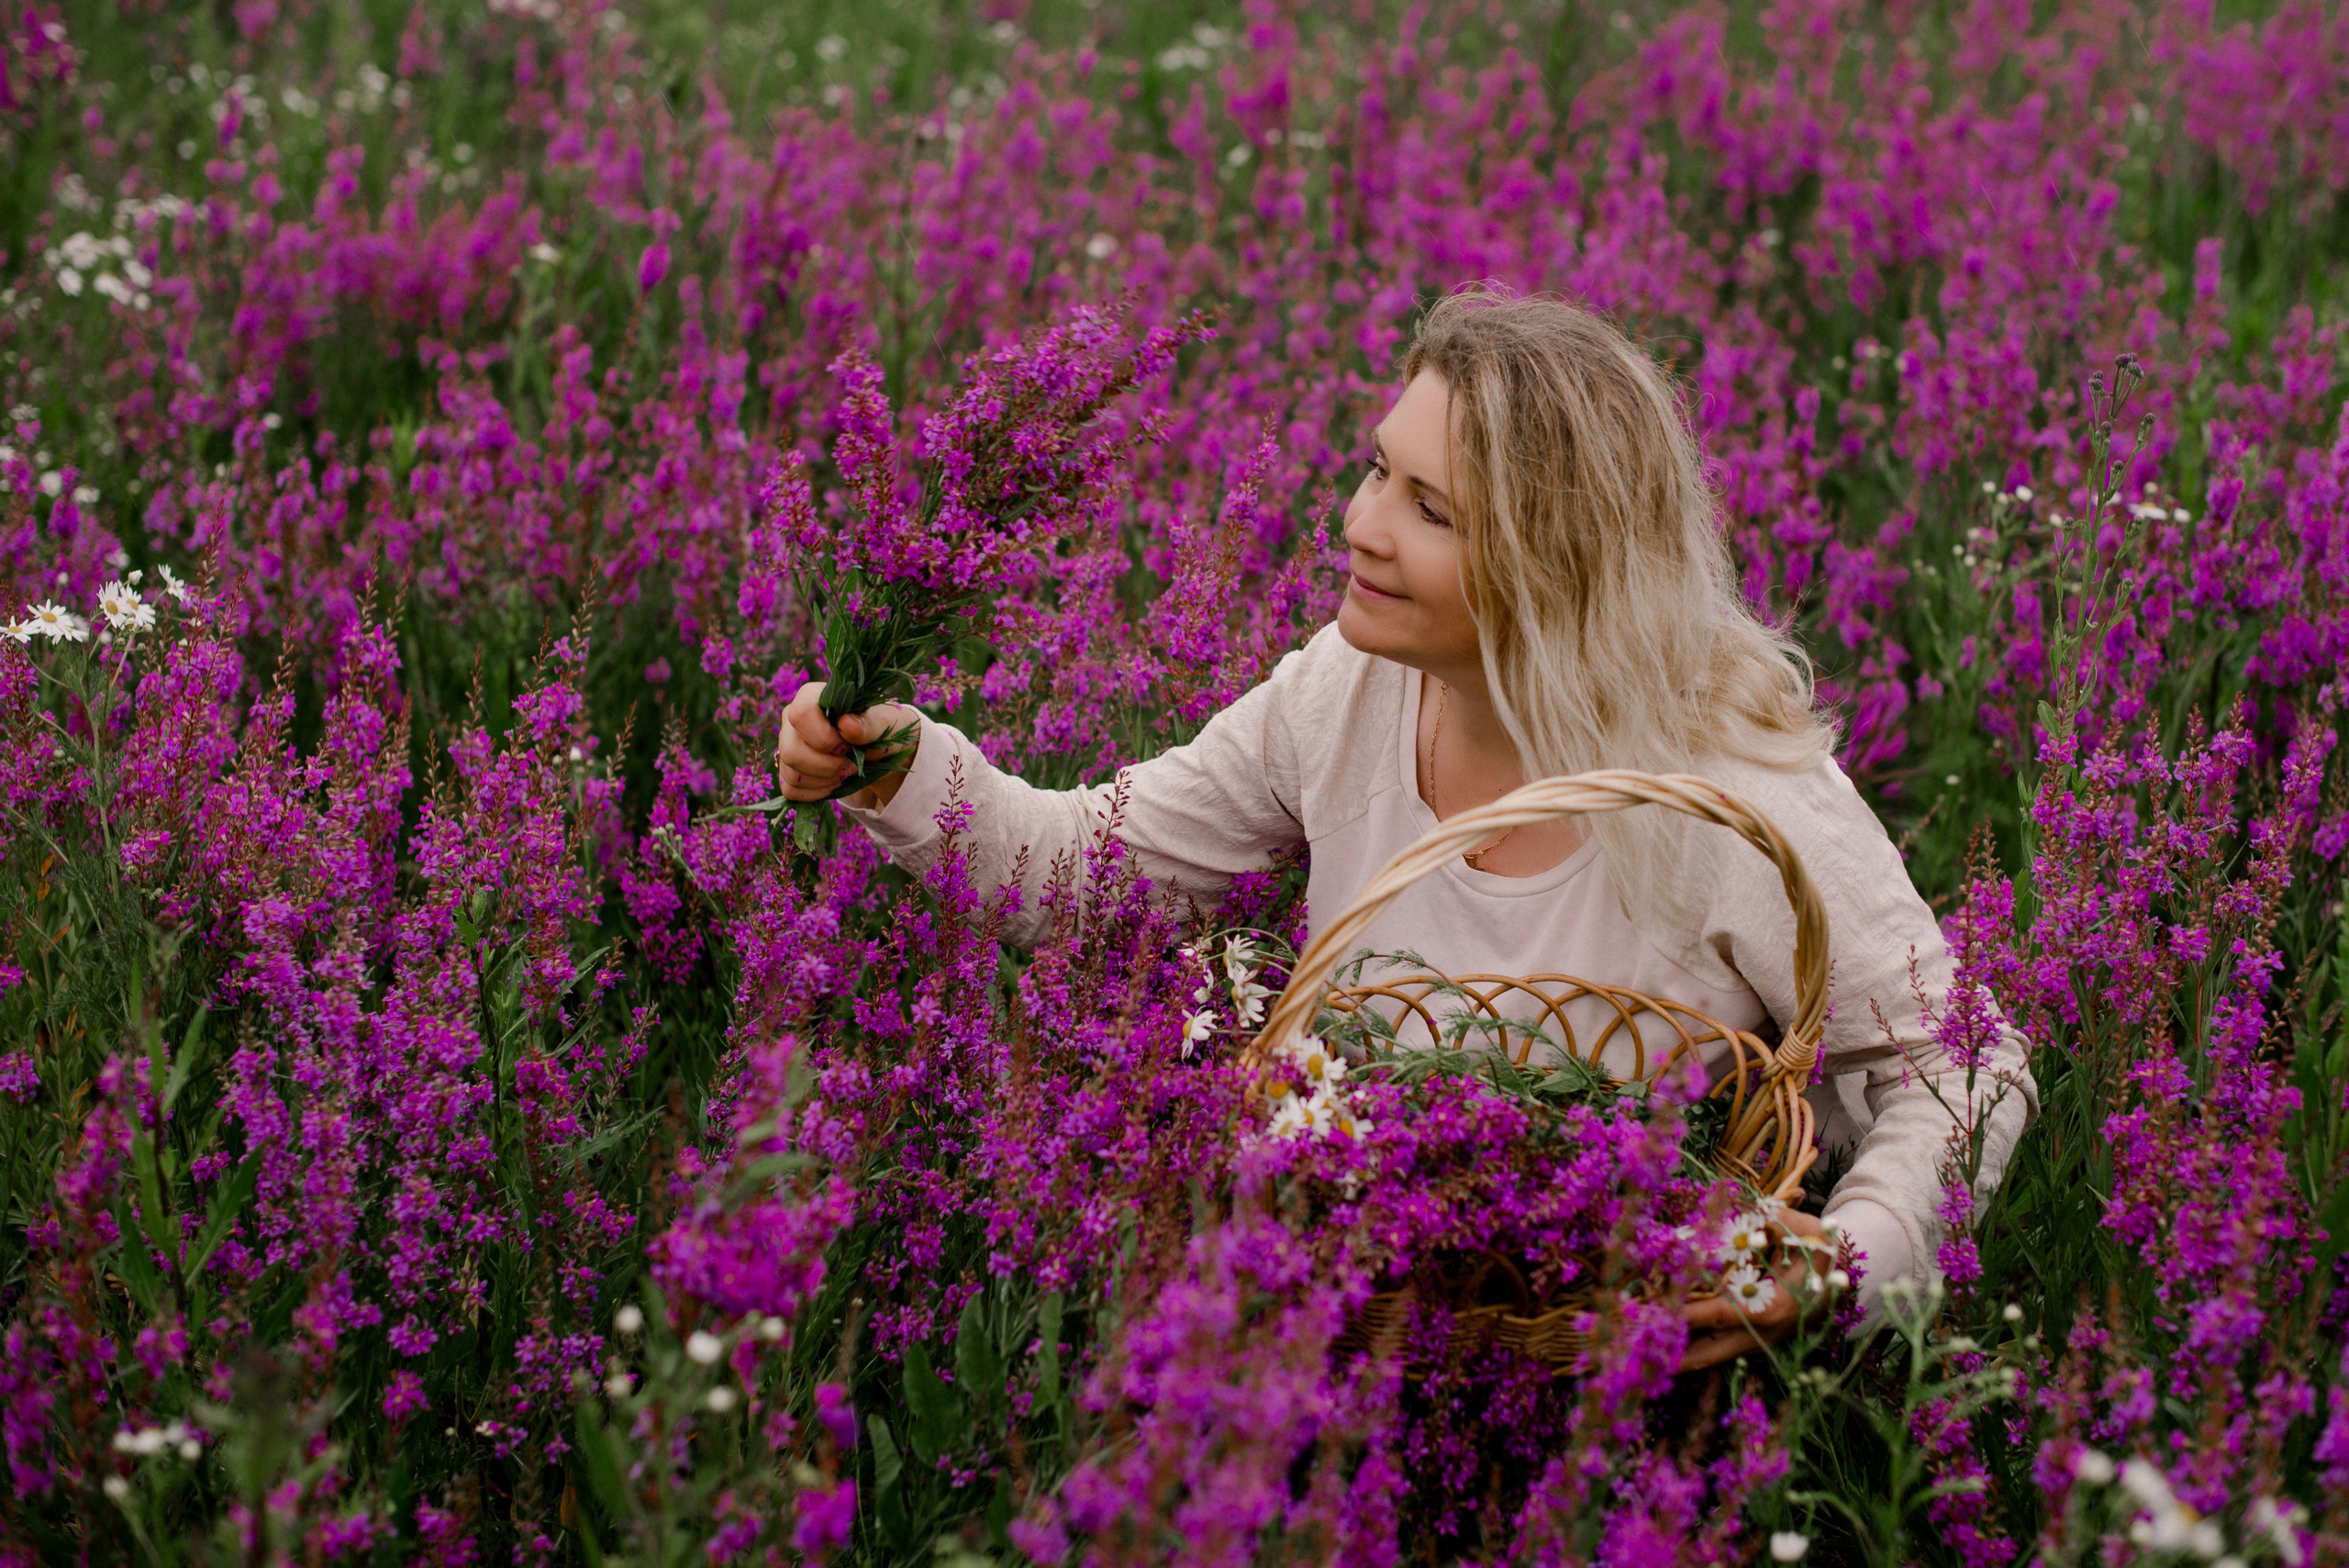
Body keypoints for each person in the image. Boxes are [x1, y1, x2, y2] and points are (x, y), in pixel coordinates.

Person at [774, 288, 2036, 1369]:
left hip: (1614, 1371)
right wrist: (901, 766)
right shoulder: (1350, 688)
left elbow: (1965, 1066)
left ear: (1555, 560)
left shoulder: (1730, 785)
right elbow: (1091, 871)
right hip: (1353, 1331)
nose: (1360, 522)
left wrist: (1840, 1264)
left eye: (1433, 508)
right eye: (1381, 468)